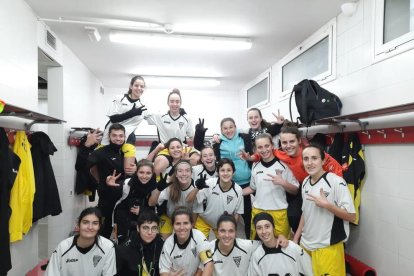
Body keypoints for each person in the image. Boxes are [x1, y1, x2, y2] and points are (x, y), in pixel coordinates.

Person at [243, 121, 343, 233]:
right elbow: (264, 152)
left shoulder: (310, 153)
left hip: (323, 186)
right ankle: (298, 241)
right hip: (303, 186)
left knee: (323, 218)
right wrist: (251, 158)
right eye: (284, 142)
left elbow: (335, 167)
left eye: (292, 141)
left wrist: (337, 186)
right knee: (294, 217)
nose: (288, 145)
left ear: (299, 140)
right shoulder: (281, 154)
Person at [293, 145, 356, 276]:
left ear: (323, 161)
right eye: (306, 159)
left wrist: (328, 205)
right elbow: (306, 213)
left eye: (314, 158)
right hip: (306, 246)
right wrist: (296, 239)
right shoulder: (305, 182)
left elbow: (352, 216)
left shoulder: (336, 182)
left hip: (327, 248)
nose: (309, 163)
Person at [194, 117, 253, 238]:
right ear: (221, 130)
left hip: (247, 182)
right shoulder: (217, 142)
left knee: (248, 217)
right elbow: (200, 147)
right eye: (225, 128)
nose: (229, 130)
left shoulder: (245, 137)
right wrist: (199, 133)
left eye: (231, 127)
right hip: (228, 183)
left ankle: (248, 243)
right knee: (226, 215)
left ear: (235, 127)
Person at [243, 133, 299, 239]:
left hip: (279, 213)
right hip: (258, 211)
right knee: (257, 246)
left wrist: (283, 182)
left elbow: (296, 190)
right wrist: (234, 192)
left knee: (281, 247)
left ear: (272, 145)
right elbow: (253, 188)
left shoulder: (284, 165)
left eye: (267, 146)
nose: (264, 150)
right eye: (260, 147)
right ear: (256, 149)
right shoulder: (255, 166)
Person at [88, 123, 135, 238]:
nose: (118, 138)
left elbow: (133, 173)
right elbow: (86, 167)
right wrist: (103, 181)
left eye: (120, 136)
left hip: (123, 200)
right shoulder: (101, 152)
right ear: (109, 136)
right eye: (114, 135)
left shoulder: (127, 152)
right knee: (103, 232)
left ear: (124, 137)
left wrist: (136, 168)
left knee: (122, 233)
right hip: (107, 199)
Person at [45, 207, 116, 276]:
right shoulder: (63, 247)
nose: (90, 227)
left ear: (99, 226)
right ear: (78, 224)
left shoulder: (108, 247)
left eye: (95, 223)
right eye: (85, 222)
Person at [107, 159, 159, 244]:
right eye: (141, 172)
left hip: (146, 226)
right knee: (122, 248)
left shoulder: (157, 187)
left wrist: (142, 210)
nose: (144, 176)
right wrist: (109, 187)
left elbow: (159, 211)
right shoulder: (126, 184)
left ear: (152, 173)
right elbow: (112, 204)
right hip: (124, 224)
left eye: (148, 173)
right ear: (136, 172)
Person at [189, 158, 244, 238]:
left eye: (229, 170)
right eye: (222, 170)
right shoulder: (209, 183)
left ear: (233, 173)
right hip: (204, 220)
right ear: (218, 172)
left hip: (223, 224)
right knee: (199, 246)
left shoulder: (238, 190)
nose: (225, 173)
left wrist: (233, 229)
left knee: (224, 248)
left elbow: (236, 214)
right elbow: (192, 202)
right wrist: (197, 188)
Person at [248, 212, 313, 276]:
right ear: (256, 231)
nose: (264, 231)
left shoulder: (292, 248)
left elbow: (310, 271)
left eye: (267, 226)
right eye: (259, 228)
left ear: (273, 227)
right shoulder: (257, 255)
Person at [159, 206, 213, 276]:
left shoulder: (199, 236)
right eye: (178, 223)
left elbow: (209, 263)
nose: (182, 227)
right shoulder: (168, 244)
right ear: (172, 225)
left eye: (185, 223)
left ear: (191, 224)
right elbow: (164, 272)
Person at [148, 160, 195, 240]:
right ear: (176, 174)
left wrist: (190, 227)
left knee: (186, 240)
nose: (184, 174)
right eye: (180, 171)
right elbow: (151, 203)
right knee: (164, 242)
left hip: (188, 220)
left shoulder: (196, 187)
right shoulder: (168, 184)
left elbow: (196, 212)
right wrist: (158, 189)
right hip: (169, 217)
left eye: (187, 171)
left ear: (191, 173)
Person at [116, 210, 164, 276]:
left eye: (154, 228)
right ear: (138, 228)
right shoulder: (123, 250)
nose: (150, 232)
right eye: (145, 228)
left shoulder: (161, 245)